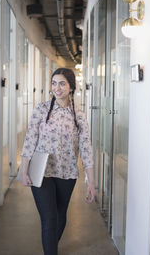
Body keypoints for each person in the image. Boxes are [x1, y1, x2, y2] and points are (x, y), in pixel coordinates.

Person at [20, 68, 95, 255]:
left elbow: (86, 148)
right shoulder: (41, 109)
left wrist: (91, 181)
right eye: (54, 83)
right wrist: (24, 170)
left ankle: (50, 245)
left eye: (62, 83)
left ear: (71, 87)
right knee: (49, 218)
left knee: (60, 217)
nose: (57, 88)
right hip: (42, 172)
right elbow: (30, 140)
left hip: (67, 173)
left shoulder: (79, 116)